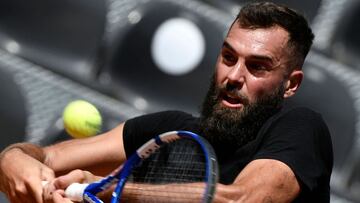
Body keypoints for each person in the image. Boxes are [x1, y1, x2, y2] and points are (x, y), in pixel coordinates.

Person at [0, 1, 333, 202]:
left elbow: (241, 200)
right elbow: (46, 155)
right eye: (228, 57)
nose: (233, 76)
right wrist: (14, 162)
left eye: (257, 66)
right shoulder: (167, 130)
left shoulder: (301, 130)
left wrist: (112, 191)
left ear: (291, 85)